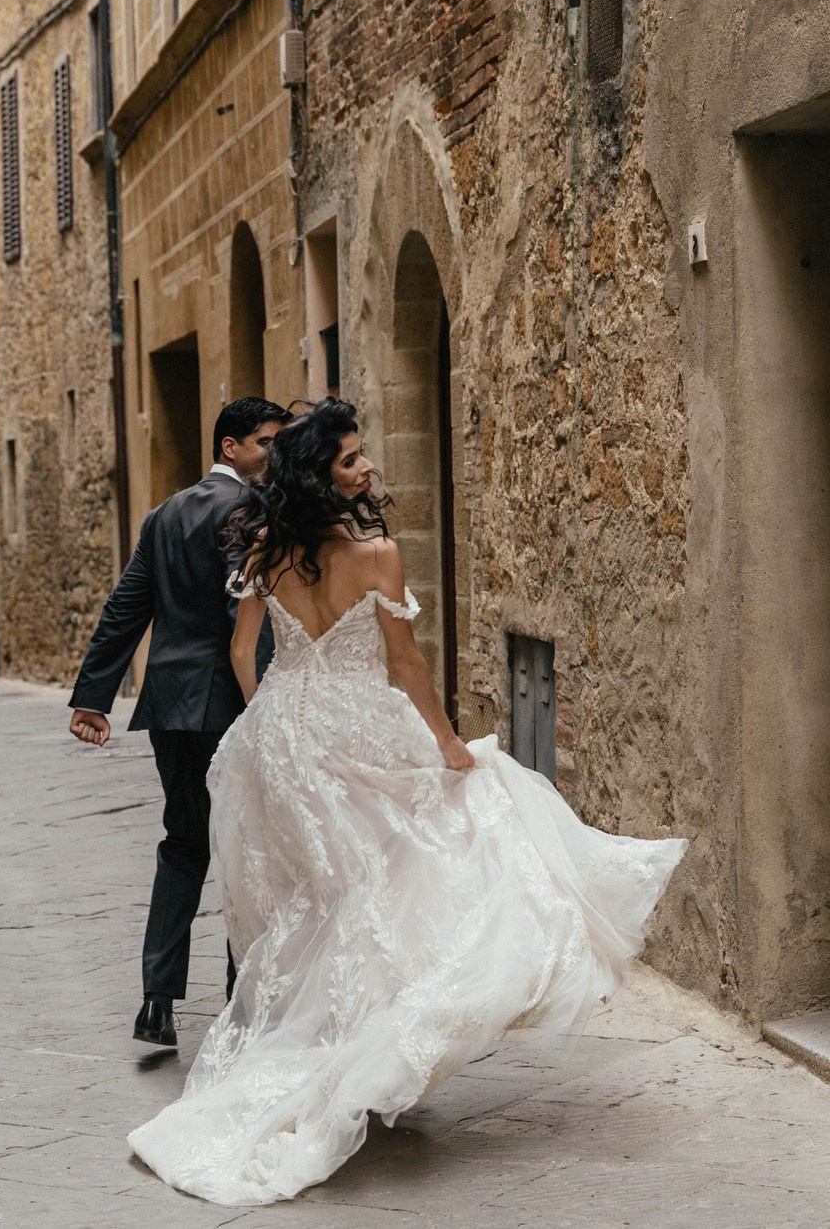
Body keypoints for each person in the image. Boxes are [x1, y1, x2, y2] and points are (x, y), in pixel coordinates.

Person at [125, 397, 688, 1204]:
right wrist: (451, 742)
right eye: (352, 459)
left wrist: (272, 722)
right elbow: (409, 665)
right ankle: (366, 1056)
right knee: (407, 867)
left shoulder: (262, 548)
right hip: (357, 727)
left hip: (282, 736)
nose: (368, 467)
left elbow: (245, 652)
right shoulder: (378, 555)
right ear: (323, 477)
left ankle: (332, 1050)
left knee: (321, 898)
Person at [68, 396, 288, 1050]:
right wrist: (268, 699)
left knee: (184, 843)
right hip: (227, 703)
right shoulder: (249, 511)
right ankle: (237, 1000)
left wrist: (93, 697)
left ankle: (155, 1003)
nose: (274, 455)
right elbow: (238, 613)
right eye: (265, 443)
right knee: (243, 847)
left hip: (169, 705)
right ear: (230, 448)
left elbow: (126, 605)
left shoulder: (164, 515)